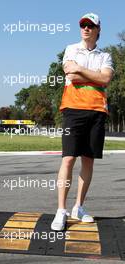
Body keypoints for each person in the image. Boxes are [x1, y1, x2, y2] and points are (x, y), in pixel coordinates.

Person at [51, 13, 114, 231]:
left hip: (97, 111)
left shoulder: (106, 56)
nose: (86, 28)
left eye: (90, 26)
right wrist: (93, 75)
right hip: (73, 110)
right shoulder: (71, 49)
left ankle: (79, 206)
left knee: (88, 161)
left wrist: (83, 71)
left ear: (98, 29)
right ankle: (61, 210)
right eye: (83, 25)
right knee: (68, 159)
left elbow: (105, 79)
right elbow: (71, 73)